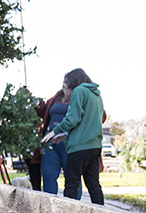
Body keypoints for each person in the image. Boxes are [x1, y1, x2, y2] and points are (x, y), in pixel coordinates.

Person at [41, 68, 105, 204]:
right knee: (93, 184)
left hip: (79, 148)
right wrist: (64, 135)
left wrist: (55, 131)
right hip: (94, 146)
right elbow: (86, 123)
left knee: (71, 184)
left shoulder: (79, 91)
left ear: (73, 81)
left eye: (66, 84)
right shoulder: (96, 95)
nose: (65, 88)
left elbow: (73, 118)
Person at [37, 88, 82, 199]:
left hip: (70, 143)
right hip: (51, 143)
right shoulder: (55, 98)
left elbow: (96, 115)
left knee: (72, 177)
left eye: (66, 83)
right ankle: (49, 206)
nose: (64, 85)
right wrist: (36, 103)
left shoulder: (80, 97)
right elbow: (43, 112)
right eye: (63, 83)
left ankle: (74, 207)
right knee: (48, 174)